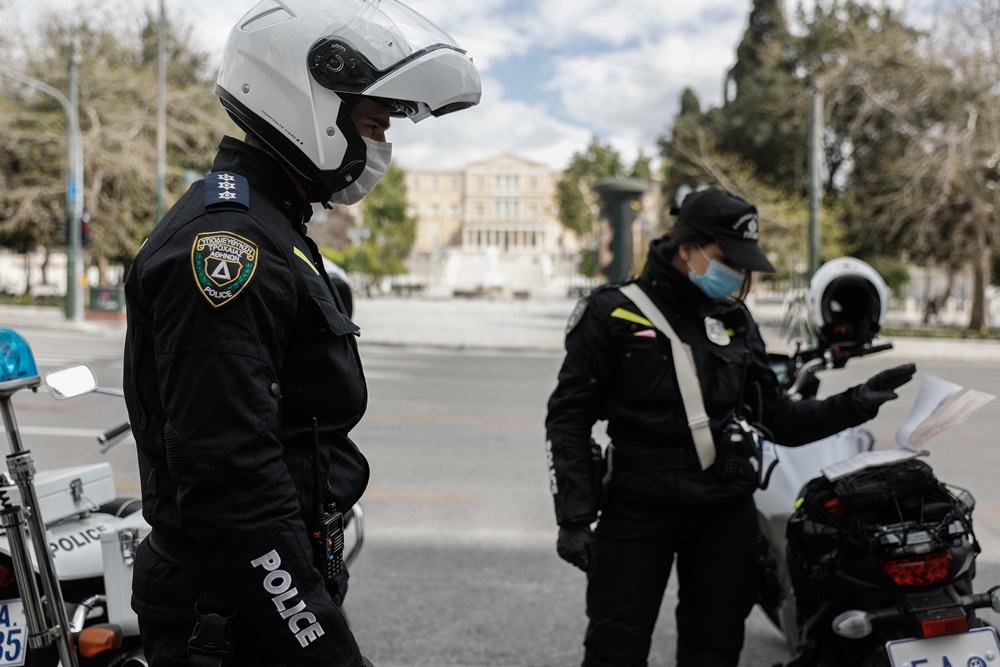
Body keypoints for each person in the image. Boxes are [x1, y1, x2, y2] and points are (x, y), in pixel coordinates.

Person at [122, 1, 480, 665]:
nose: (381, 150)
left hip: (259, 592)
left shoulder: (273, 224)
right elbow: (231, 481)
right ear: (308, 102)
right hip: (235, 610)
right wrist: (316, 638)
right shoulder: (229, 245)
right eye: (374, 124)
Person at [544, 187, 915, 667]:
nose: (737, 274)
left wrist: (856, 404)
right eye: (727, 259)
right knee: (616, 648)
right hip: (638, 506)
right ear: (687, 249)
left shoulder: (736, 321)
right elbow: (568, 417)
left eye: (743, 264)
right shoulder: (613, 311)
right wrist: (573, 516)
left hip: (723, 509)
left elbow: (777, 417)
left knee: (715, 648)